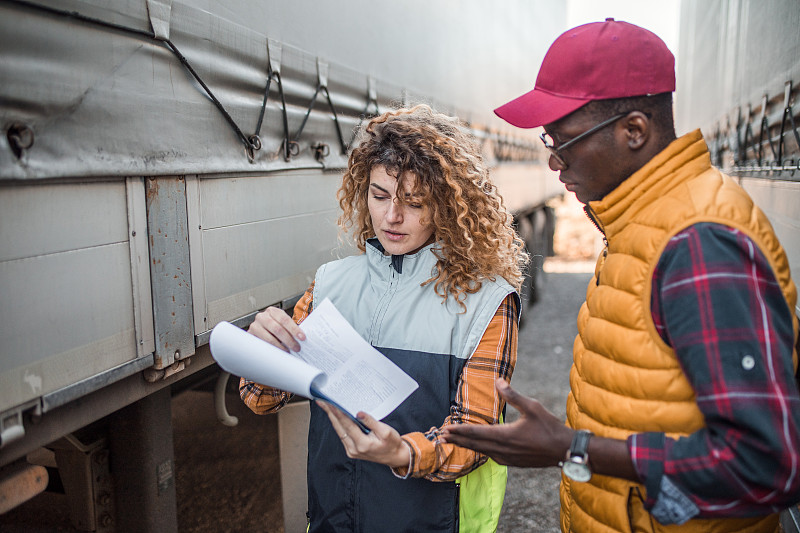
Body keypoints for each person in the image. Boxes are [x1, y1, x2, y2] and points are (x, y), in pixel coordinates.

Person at [442, 18, 800, 533]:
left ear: (634, 130)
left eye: (564, 140)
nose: (552, 161)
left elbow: (765, 464)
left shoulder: (700, 243)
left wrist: (571, 447)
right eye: (548, 139)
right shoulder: (641, 224)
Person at [239, 104, 528, 532]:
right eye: (379, 195)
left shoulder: (486, 301)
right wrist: (262, 354)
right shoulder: (330, 284)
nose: (391, 217)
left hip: (429, 523)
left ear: (446, 204)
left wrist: (406, 454)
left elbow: (475, 433)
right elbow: (260, 399)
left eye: (414, 202)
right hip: (331, 521)